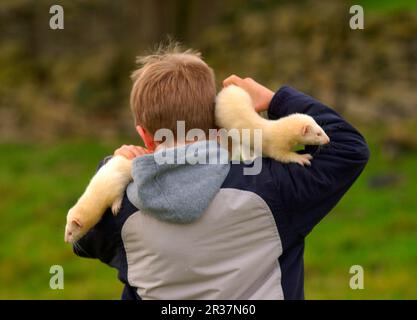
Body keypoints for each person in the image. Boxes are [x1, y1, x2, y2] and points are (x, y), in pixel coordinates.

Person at [72, 45, 369, 300]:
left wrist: (113, 167)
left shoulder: (121, 211)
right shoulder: (272, 186)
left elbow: (81, 236)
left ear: (144, 136)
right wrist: (275, 100)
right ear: (217, 125)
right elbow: (348, 148)